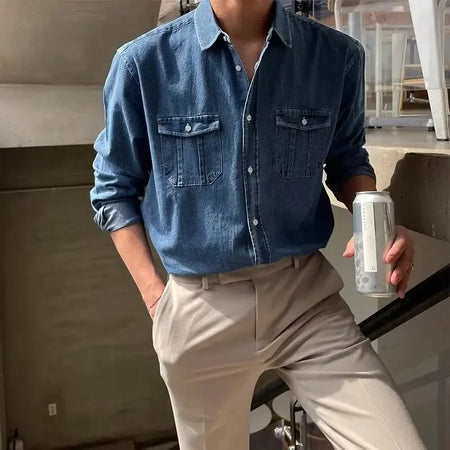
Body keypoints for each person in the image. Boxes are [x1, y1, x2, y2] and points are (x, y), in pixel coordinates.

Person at [90, 1, 424, 449]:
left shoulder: (336, 56)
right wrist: (158, 300)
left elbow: (347, 160)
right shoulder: (142, 64)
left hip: (306, 302)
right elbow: (114, 191)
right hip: (199, 311)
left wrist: (376, 218)